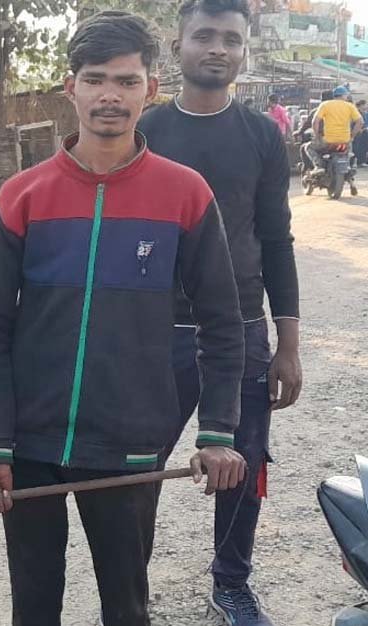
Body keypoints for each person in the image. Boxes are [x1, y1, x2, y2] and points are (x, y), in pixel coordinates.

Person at [0, 11, 247, 626]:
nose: (110, 96)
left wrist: (218, 431)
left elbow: (223, 324)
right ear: (71, 87)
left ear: (151, 88)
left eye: (126, 81)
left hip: (129, 445)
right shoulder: (21, 197)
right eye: (95, 80)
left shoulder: (185, 194)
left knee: (126, 606)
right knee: (32, 606)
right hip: (30, 445)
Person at [138, 1, 302, 624]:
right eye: (203, 36)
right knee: (138, 463)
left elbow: (277, 240)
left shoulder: (262, 136)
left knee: (244, 461)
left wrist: (287, 344)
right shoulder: (146, 131)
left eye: (231, 39)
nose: (217, 49)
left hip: (242, 331)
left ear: (244, 51)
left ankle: (232, 582)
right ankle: (129, 586)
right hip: (157, 332)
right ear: (176, 46)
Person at [308, 86, 364, 175]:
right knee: (349, 151)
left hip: (327, 141)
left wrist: (317, 136)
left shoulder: (325, 105)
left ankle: (319, 166)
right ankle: (349, 165)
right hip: (344, 141)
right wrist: (352, 136)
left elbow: (315, 122)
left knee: (309, 147)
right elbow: (360, 122)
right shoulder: (350, 106)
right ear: (344, 95)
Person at [353, 100, 368, 167]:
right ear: (361, 105)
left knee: (363, 147)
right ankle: (358, 162)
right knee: (358, 147)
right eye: (365, 105)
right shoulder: (356, 113)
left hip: (364, 133)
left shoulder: (365, 113)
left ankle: (362, 161)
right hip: (358, 134)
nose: (366, 106)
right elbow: (355, 124)